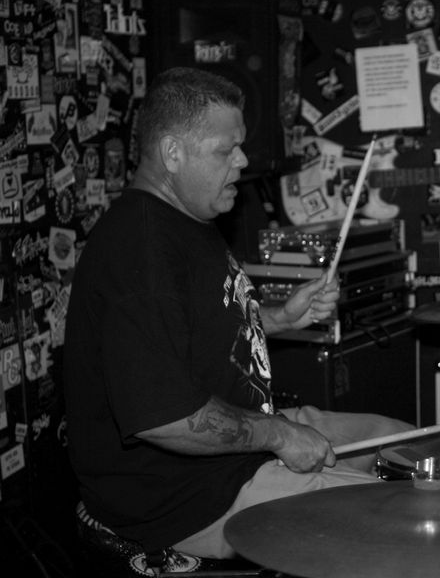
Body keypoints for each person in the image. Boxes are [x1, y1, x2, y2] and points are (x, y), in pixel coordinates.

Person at [63, 67, 414, 560]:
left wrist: (279, 317)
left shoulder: (188, 217)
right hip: (186, 496)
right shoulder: (140, 251)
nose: (243, 160)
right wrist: (280, 435)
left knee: (407, 445)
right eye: (226, 150)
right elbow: (166, 419)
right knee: (403, 517)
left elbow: (198, 327)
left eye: (241, 145)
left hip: (243, 439)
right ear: (172, 153)